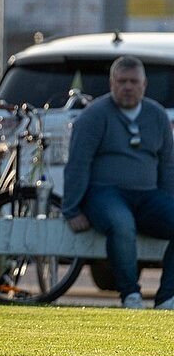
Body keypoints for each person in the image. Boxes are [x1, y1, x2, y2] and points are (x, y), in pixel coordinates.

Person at [63, 56, 174, 309]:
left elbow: (167, 166)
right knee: (121, 224)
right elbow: (78, 164)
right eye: (122, 81)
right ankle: (130, 295)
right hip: (105, 195)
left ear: (144, 84)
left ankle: (168, 297)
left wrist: (169, 200)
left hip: (148, 196)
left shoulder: (157, 115)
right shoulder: (94, 116)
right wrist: (72, 209)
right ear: (111, 83)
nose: (127, 87)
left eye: (133, 81)